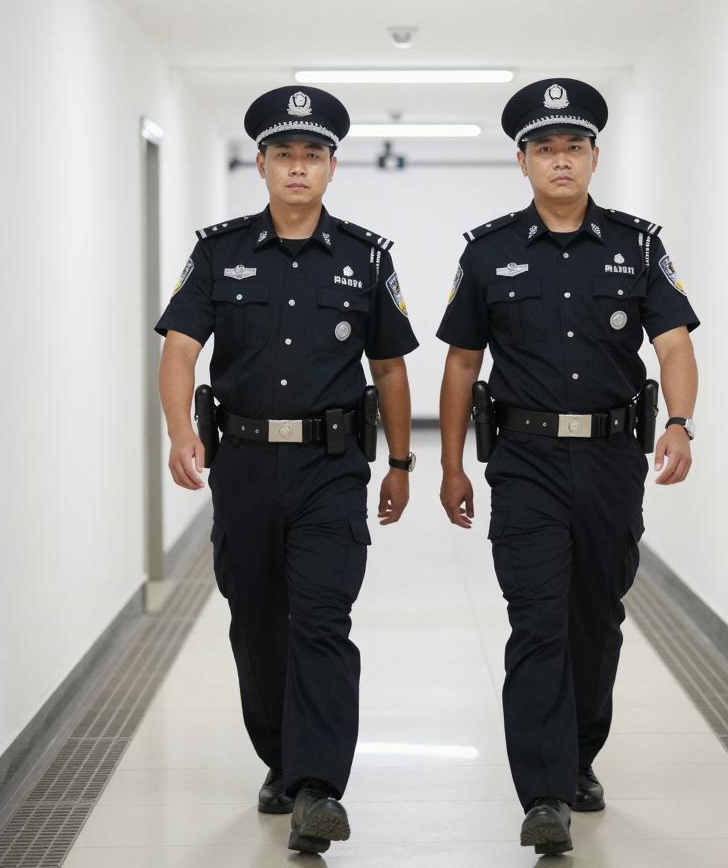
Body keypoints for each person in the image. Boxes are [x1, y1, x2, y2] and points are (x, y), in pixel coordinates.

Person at [436, 78, 699, 854]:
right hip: (526, 461)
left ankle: (578, 755)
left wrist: (679, 422)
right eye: (545, 148)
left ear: (594, 158)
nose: (560, 160)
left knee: (596, 616)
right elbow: (461, 364)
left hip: (612, 459)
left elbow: (674, 343)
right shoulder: (489, 252)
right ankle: (544, 794)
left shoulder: (638, 247)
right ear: (522, 161)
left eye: (573, 147)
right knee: (538, 618)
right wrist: (450, 465)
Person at [154, 85, 419, 853]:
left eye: (312, 155)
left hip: (331, 467)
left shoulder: (367, 258)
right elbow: (180, 349)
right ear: (263, 165)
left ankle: (317, 787)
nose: (297, 168)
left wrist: (401, 461)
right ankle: (281, 759)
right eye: (283, 155)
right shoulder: (220, 253)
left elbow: (390, 369)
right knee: (257, 623)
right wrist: (180, 432)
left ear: (332, 166)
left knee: (323, 619)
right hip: (243, 466)